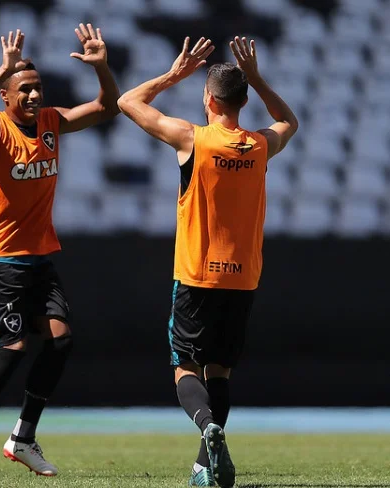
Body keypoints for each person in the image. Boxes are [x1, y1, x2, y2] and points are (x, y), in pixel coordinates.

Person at [117, 36, 298, 487]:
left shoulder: (191, 139)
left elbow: (127, 101)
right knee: (220, 370)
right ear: (242, 100)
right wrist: (256, 77)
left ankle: (206, 426)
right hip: (243, 280)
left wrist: (173, 75)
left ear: (209, 100)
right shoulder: (258, 146)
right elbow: (288, 120)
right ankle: (203, 467)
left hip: (197, 276)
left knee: (185, 368)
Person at [0, 25, 119, 479]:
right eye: (23, 89)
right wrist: (1, 69)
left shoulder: (50, 123)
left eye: (37, 87)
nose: (33, 95)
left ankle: (22, 437)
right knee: (15, 346)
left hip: (38, 254)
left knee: (61, 339)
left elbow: (106, 108)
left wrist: (102, 68)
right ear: (5, 95)